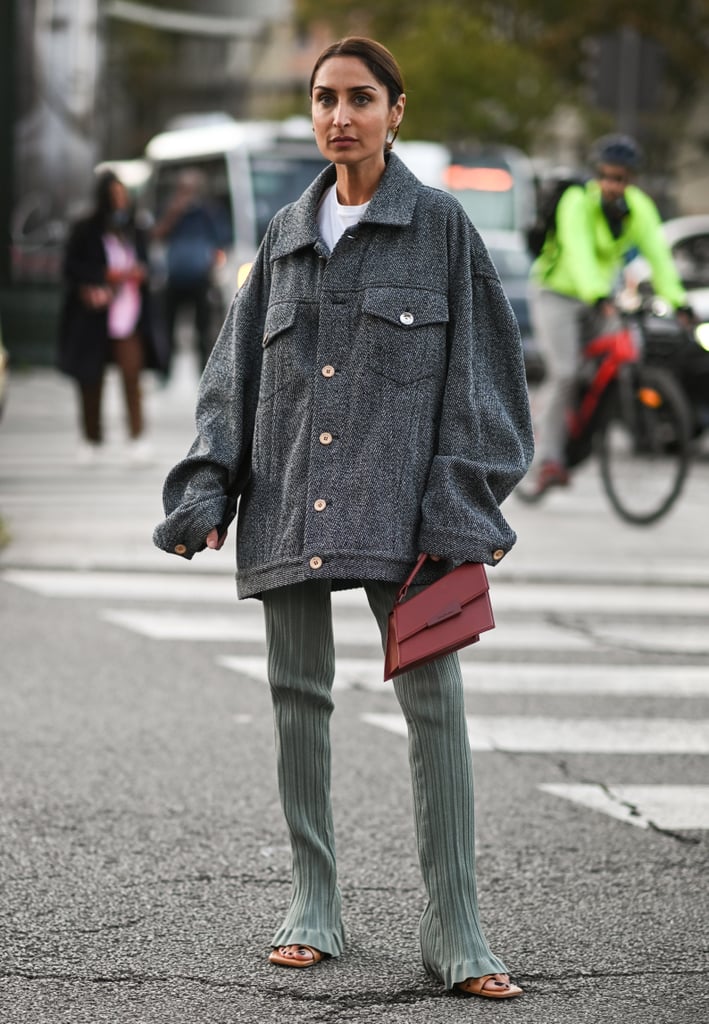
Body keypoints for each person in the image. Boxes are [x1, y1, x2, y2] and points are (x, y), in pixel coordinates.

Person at [153, 37, 533, 1000]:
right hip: (289, 499)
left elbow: (486, 384)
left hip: (408, 512)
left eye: (360, 98)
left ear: (396, 110)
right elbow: (232, 381)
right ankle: (311, 905)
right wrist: (207, 490)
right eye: (325, 99)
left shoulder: (442, 228)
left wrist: (459, 502)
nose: (339, 116)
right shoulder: (284, 234)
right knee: (297, 703)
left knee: (435, 708)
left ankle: (457, 931)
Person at [524, 133, 693, 498]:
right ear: (597, 174)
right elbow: (578, 252)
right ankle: (547, 459)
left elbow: (659, 258)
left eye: (621, 178)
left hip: (601, 298)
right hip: (558, 293)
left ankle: (596, 423)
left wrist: (678, 302)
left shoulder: (639, 207)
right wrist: (598, 295)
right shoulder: (576, 202)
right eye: (607, 176)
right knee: (566, 373)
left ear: (631, 179)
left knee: (628, 348)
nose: (613, 185)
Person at [57, 170, 159, 464]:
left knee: (132, 374)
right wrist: (101, 277)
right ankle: (91, 438)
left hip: (129, 315)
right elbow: (70, 269)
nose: (120, 202)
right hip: (94, 317)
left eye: (122, 196)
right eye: (114, 196)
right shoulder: (85, 229)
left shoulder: (134, 230)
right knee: (91, 379)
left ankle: (137, 437)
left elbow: (147, 264)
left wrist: (140, 273)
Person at [152, 169, 227, 377]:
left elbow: (220, 240)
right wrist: (174, 212)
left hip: (199, 277)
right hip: (174, 277)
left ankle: (203, 372)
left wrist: (212, 263)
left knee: (202, 329)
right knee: (168, 326)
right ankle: (165, 370)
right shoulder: (170, 210)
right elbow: (157, 234)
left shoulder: (208, 212)